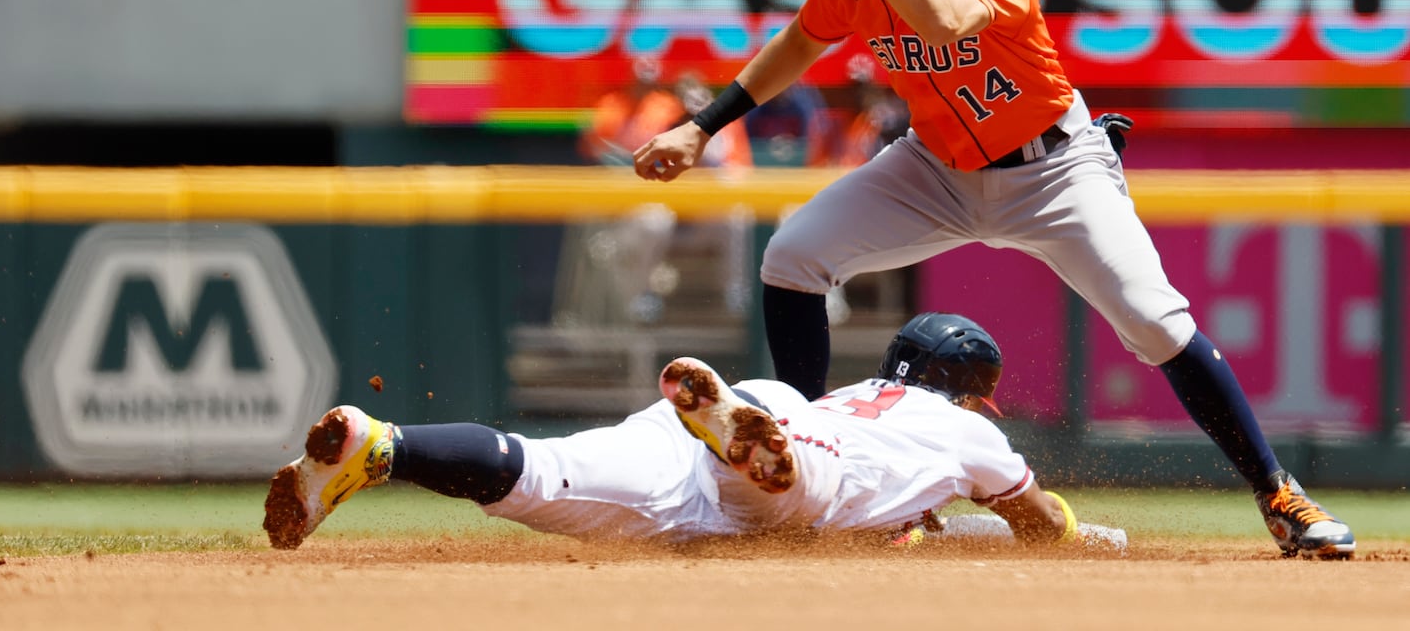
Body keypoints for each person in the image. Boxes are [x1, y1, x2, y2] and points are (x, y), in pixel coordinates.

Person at [630, 0, 1354, 559]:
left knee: (1155, 323)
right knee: (793, 257)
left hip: (1053, 170)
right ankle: (822, 471)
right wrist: (703, 124)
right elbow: (800, 43)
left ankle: (1281, 495)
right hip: (934, 169)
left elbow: (943, 20)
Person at [263, 312, 1125, 552]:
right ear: (975, 393)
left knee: (541, 472)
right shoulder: (966, 436)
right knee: (798, 485)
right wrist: (1077, 533)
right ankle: (749, 444)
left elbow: (916, 517)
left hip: (755, 417)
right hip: (802, 471)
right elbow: (1036, 522)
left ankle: (385, 446)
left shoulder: (870, 392)